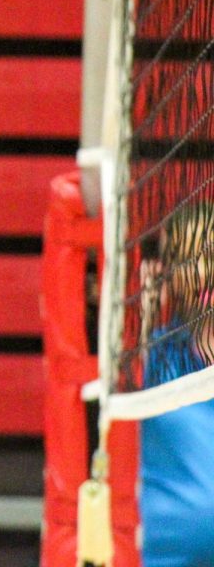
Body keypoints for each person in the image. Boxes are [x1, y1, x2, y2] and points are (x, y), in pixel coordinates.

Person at [138, 203, 214, 567]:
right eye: (186, 258)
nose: (202, 272)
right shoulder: (149, 354)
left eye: (210, 255)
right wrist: (140, 321)